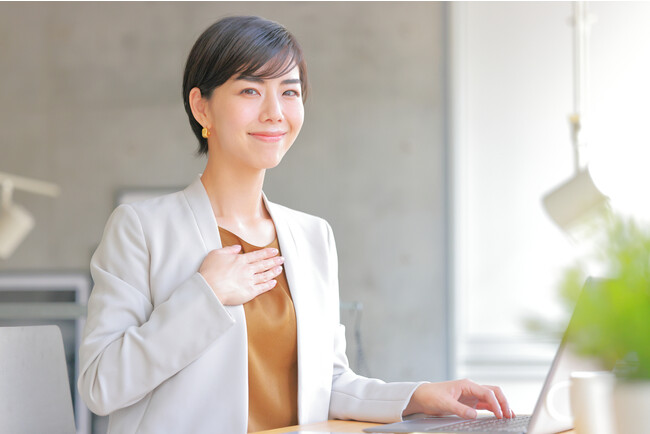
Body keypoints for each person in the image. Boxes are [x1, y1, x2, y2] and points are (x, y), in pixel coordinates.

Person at [78, 15, 514, 433]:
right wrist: (206, 296)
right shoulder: (142, 229)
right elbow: (100, 386)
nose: (275, 112)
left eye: (289, 92)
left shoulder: (312, 236)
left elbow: (328, 384)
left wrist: (418, 395)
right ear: (201, 107)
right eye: (250, 91)